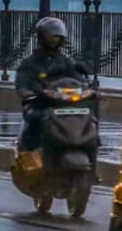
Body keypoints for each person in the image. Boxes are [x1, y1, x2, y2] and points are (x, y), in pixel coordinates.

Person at [15, 17, 85, 152]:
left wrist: (87, 88)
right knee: (36, 118)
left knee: (86, 116)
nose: (55, 39)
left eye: (58, 36)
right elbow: (22, 84)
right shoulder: (30, 63)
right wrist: (30, 92)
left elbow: (77, 79)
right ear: (42, 37)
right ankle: (30, 150)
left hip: (62, 104)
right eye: (51, 36)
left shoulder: (65, 61)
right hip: (38, 104)